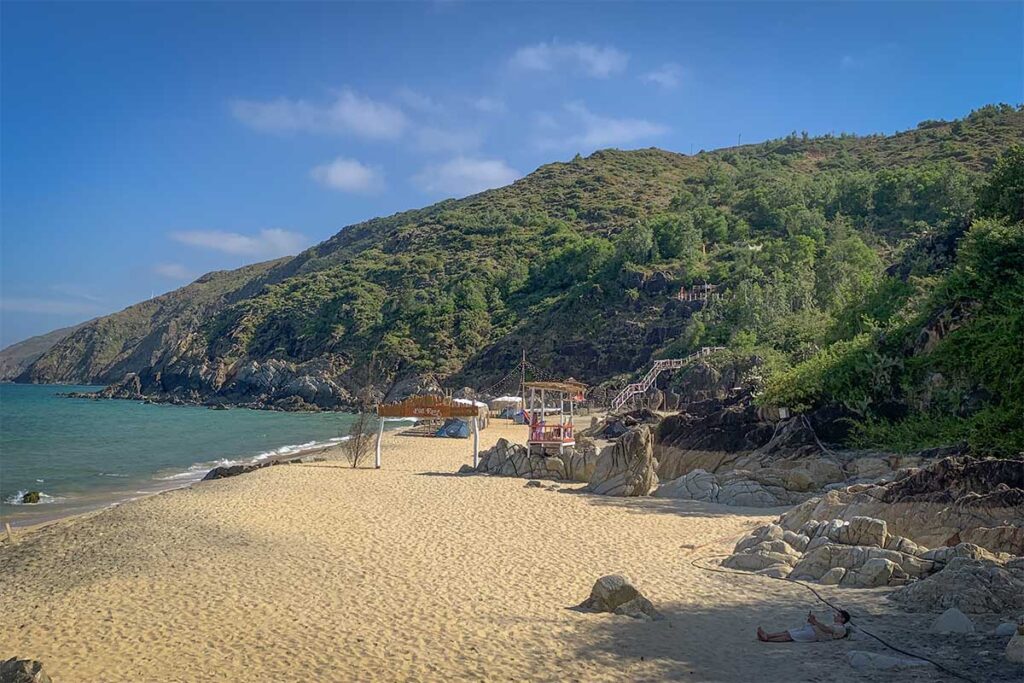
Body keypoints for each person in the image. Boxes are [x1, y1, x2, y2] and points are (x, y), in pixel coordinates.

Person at [757, 610, 851, 643]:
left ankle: (768, 639)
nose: (835, 616)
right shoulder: (837, 625)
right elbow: (824, 627)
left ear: (843, 619)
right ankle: (768, 635)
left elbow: (827, 630)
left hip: (815, 635)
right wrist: (813, 622)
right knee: (788, 632)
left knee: (789, 637)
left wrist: (815, 621)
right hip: (813, 630)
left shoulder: (840, 628)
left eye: (838, 615)